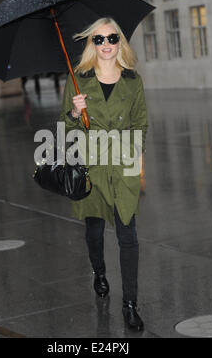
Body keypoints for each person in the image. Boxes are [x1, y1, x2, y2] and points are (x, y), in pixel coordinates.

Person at [58, 17, 148, 331]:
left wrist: (136, 158)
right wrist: (73, 112)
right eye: (99, 39)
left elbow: (140, 123)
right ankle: (99, 272)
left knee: (129, 237)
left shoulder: (133, 80)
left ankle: (130, 304)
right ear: (91, 44)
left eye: (112, 38)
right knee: (94, 232)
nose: (106, 45)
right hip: (92, 165)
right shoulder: (78, 78)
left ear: (120, 41)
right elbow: (65, 126)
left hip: (122, 165)